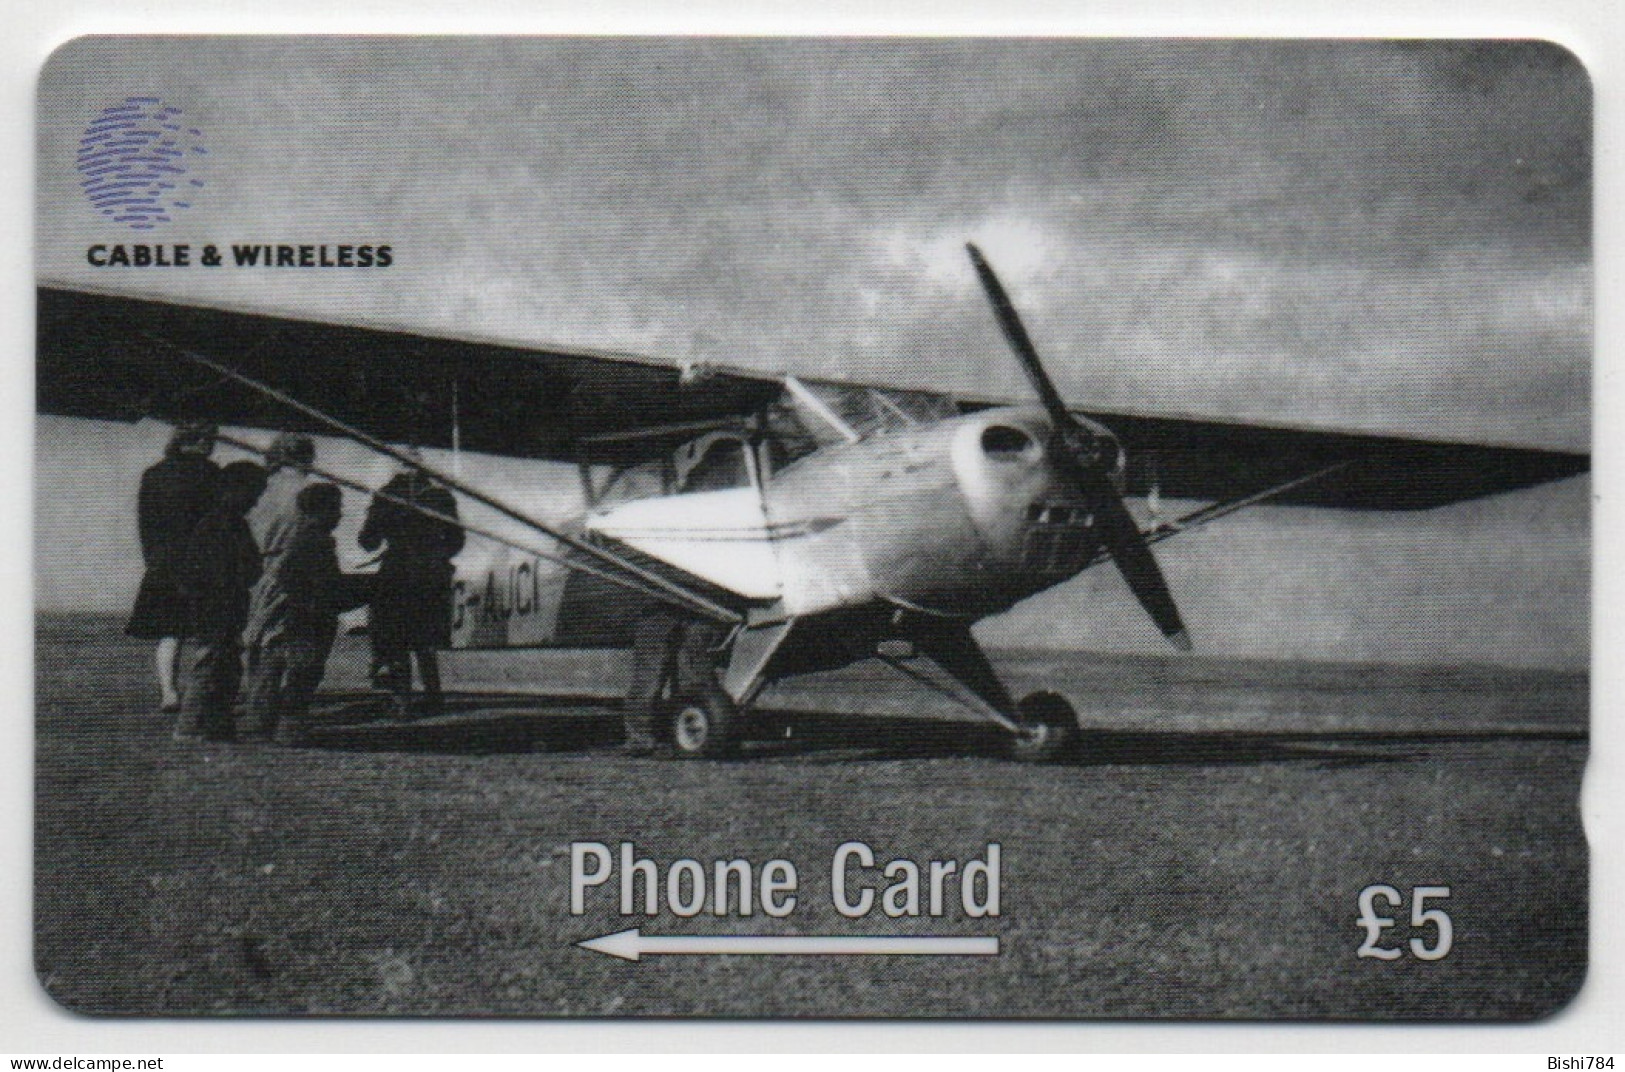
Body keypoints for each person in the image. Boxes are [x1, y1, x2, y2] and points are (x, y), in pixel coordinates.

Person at [243, 483, 368, 746]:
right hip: (305, 620)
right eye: (335, 509)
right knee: (303, 673)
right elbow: (325, 586)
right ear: (319, 511)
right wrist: (366, 589)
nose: (340, 515)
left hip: (284, 617)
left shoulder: (300, 540)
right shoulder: (315, 542)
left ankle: (260, 726)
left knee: (270, 671)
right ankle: (289, 728)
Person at [357, 458, 464, 717]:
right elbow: (457, 540)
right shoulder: (441, 497)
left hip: (398, 571)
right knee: (425, 641)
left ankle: (402, 700)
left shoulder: (386, 496)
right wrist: (436, 556)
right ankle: (433, 696)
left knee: (396, 639)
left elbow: (367, 541)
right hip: (432, 574)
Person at [126, 421, 220, 713]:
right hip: (203, 562)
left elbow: (146, 523)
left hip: (164, 563)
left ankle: (169, 692)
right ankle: (201, 694)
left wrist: (153, 560)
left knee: (171, 633)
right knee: (209, 632)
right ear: (200, 440)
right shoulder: (212, 474)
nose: (214, 443)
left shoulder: (153, 474)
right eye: (211, 438)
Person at [172, 461, 267, 742]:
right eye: (253, 493)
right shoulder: (220, 525)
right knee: (211, 665)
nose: (255, 501)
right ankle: (190, 727)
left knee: (225, 667)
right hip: (217, 608)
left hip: (224, 607)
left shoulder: (227, 523)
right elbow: (224, 571)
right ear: (234, 490)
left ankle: (216, 725)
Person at [242, 432, 317, 694]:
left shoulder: (260, 487)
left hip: (256, 566)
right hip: (294, 567)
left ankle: (256, 693)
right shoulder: (308, 491)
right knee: (292, 635)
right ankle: (282, 696)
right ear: (306, 458)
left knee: (257, 633)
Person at [621, 602, 728, 757]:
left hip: (699, 610)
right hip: (679, 608)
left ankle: (686, 735)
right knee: (651, 681)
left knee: (692, 683)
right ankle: (641, 740)